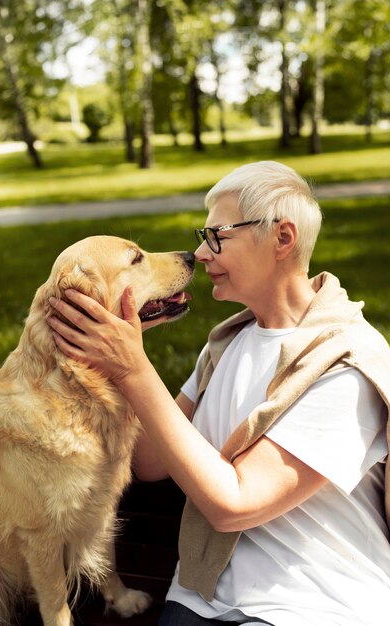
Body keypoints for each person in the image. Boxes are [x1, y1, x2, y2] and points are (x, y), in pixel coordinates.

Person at [47, 161, 390, 626]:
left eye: (217, 237)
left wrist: (132, 368)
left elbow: (234, 505)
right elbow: (149, 463)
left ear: (282, 239)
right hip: (200, 599)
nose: (200, 254)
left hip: (310, 605)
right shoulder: (229, 343)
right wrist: (111, 354)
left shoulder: (347, 364)